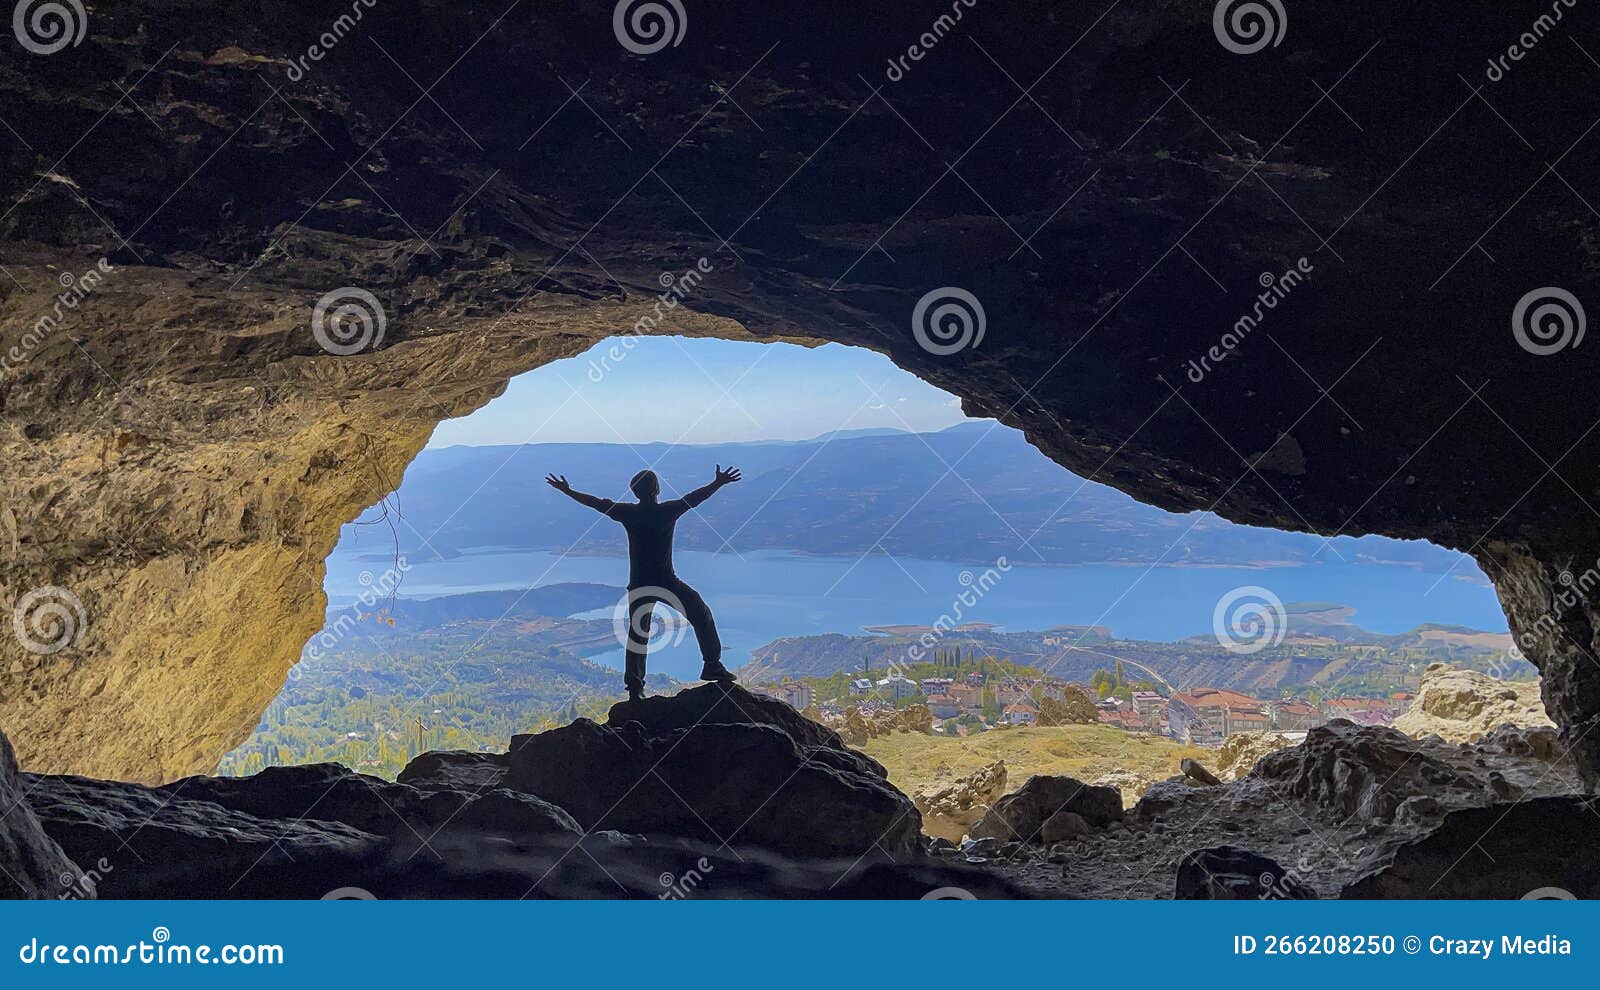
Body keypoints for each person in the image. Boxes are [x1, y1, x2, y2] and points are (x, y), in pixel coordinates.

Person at [546, 465, 741, 702]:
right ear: (657, 489)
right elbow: (694, 498)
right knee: (701, 614)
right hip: (667, 582)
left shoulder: (627, 513)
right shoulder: (669, 510)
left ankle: (635, 689)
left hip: (639, 585)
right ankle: (712, 665)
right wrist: (718, 483)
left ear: (634, 492)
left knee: (638, 635)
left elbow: (595, 503)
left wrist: (568, 491)